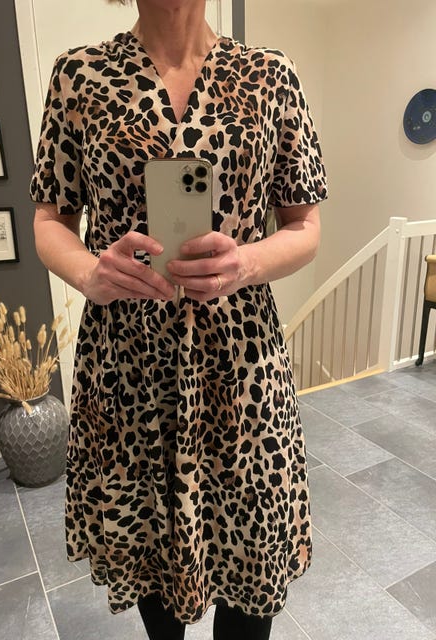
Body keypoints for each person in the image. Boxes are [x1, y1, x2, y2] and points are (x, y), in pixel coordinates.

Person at [30, 1, 328, 638]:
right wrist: (89, 273)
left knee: (251, 568)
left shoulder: (270, 75)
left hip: (242, 375)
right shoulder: (79, 77)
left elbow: (305, 225)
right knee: (151, 572)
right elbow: (50, 219)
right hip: (128, 371)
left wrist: (245, 262)